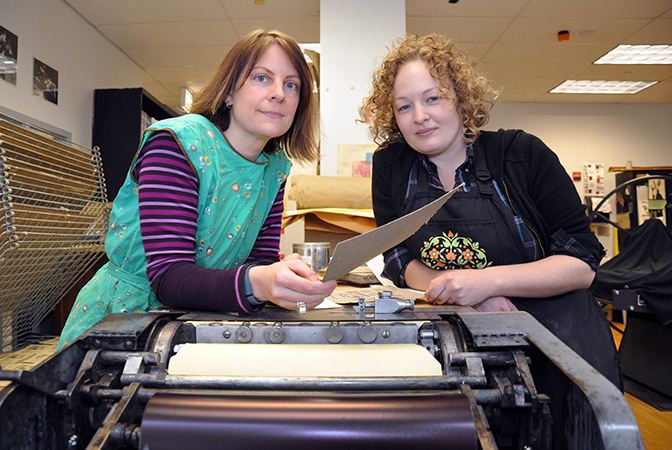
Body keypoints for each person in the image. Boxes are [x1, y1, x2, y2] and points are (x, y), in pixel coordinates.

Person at [360, 33, 621, 389]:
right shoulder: (392, 165)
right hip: (451, 342)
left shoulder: (522, 154)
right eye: (404, 106)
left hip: (557, 343)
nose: (420, 116)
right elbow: (397, 257)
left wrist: (484, 284)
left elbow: (582, 264)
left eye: (433, 98)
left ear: (461, 100)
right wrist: (458, 294)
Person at [58, 30, 336, 349]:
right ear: (229, 92)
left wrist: (283, 282)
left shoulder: (276, 169)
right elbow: (169, 278)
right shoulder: (176, 144)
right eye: (262, 78)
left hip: (198, 322)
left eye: (292, 84)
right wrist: (261, 282)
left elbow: (259, 261)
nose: (279, 94)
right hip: (121, 323)